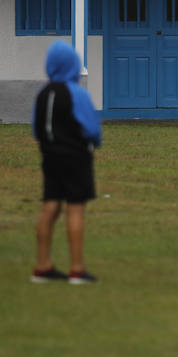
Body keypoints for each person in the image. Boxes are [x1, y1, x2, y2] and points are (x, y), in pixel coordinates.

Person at [31, 41, 103, 285]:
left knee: (50, 206)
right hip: (76, 157)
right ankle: (77, 269)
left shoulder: (42, 94)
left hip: (50, 156)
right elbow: (91, 128)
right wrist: (96, 142)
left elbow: (36, 129)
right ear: (73, 64)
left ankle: (42, 266)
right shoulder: (77, 93)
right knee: (75, 207)